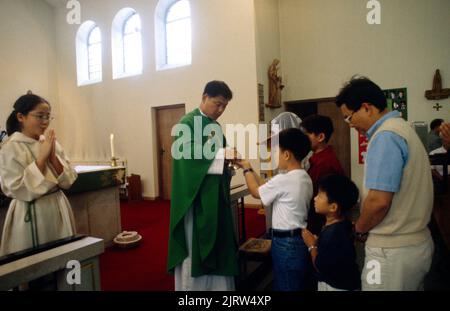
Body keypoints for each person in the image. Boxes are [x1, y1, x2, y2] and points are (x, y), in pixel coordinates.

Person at [335, 76, 434, 291]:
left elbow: (379, 201)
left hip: (391, 251)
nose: (350, 125)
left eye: (349, 118)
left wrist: (360, 228)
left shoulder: (385, 137)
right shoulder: (402, 128)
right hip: (413, 244)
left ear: (366, 108)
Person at [167, 81, 238, 291]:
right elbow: (186, 154)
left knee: (219, 245)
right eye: (217, 104)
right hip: (196, 198)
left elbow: (221, 154)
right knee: (195, 248)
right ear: (205, 97)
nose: (221, 110)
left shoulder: (215, 127)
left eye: (224, 106)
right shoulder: (187, 122)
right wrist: (221, 155)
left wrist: (228, 162)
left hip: (214, 197)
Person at [0, 92, 78, 257]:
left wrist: (53, 157)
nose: (45, 122)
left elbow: (68, 180)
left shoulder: (49, 142)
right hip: (31, 212)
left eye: (48, 116)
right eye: (40, 116)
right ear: (21, 117)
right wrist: (41, 160)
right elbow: (15, 188)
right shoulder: (10, 148)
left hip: (57, 205)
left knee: (62, 257)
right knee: (36, 263)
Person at [236, 128, 313, 291]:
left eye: (277, 151)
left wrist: (246, 169)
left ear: (287, 155)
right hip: (297, 240)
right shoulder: (303, 176)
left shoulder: (284, 179)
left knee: (286, 285)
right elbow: (265, 186)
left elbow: (256, 192)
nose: (275, 155)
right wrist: (249, 167)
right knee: (292, 282)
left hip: (285, 243)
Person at [302, 174, 361, 291]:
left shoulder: (334, 234)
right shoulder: (342, 225)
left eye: (319, 195)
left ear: (333, 207)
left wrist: (312, 245)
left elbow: (320, 266)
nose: (315, 198)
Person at [300, 114, 346, 235]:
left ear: (320, 137)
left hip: (321, 222)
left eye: (306, 135)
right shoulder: (319, 158)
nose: (302, 139)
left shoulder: (324, 163)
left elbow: (315, 195)